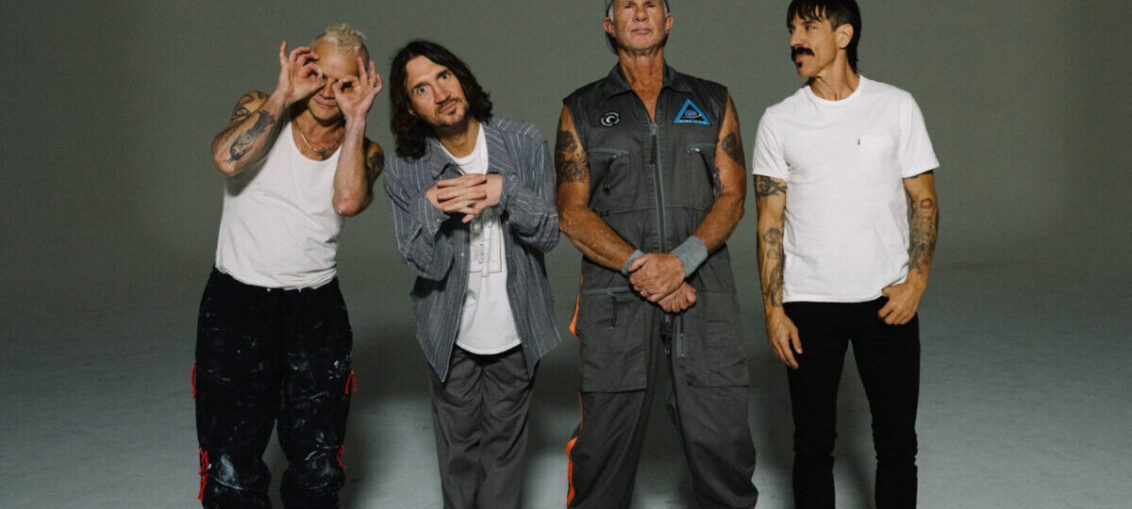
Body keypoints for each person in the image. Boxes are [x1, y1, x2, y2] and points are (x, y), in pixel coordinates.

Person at [555, 1, 759, 507]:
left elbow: (733, 197)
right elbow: (571, 212)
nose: (641, 13)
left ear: (669, 22)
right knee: (602, 453)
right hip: (615, 296)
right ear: (610, 25)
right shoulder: (581, 108)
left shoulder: (712, 100)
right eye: (628, 5)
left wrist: (681, 262)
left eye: (652, 4)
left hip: (703, 290)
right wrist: (642, 268)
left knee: (724, 444)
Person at [750, 1, 941, 507]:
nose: (795, 40)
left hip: (887, 302)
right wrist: (774, 310)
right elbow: (769, 222)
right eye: (791, 29)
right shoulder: (778, 121)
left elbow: (924, 200)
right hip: (808, 306)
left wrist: (916, 283)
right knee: (812, 446)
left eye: (808, 27)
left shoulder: (896, 106)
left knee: (897, 444)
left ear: (843, 35)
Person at [193, 24, 384, 509]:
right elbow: (227, 160)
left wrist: (357, 120)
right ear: (302, 67)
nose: (328, 91)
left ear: (362, 84)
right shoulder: (260, 106)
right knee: (231, 462)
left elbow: (347, 201)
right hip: (237, 303)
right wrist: (282, 94)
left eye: (344, 82)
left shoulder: (366, 150)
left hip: (315, 310)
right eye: (319, 75)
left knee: (317, 463)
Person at [381, 40, 561, 509]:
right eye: (421, 89)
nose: (440, 93)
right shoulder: (404, 171)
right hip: (450, 332)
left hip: (517, 327)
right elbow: (423, 263)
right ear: (411, 109)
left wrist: (506, 191)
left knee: (504, 455)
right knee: (458, 455)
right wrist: (430, 208)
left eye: (443, 76)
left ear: (461, 77)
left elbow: (548, 233)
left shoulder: (523, 143)